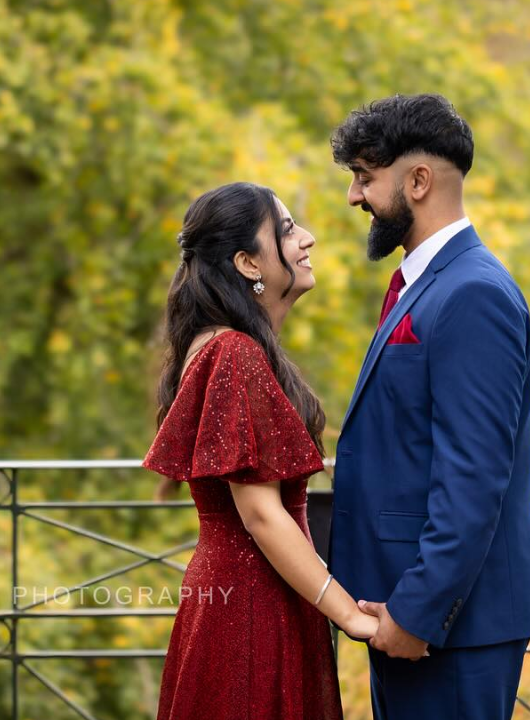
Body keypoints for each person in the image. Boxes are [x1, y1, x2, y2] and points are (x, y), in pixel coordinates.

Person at [328, 94, 530, 720]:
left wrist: (417, 612)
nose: (354, 197)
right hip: (407, 614)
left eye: (365, 178)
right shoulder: (424, 285)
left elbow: (474, 479)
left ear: (418, 180)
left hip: (451, 627)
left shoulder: (473, 293)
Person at [142, 182, 377, 720]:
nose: (308, 239)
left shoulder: (218, 345)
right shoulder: (234, 354)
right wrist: (352, 616)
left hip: (241, 598)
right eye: (289, 230)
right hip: (249, 607)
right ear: (248, 262)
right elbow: (261, 514)